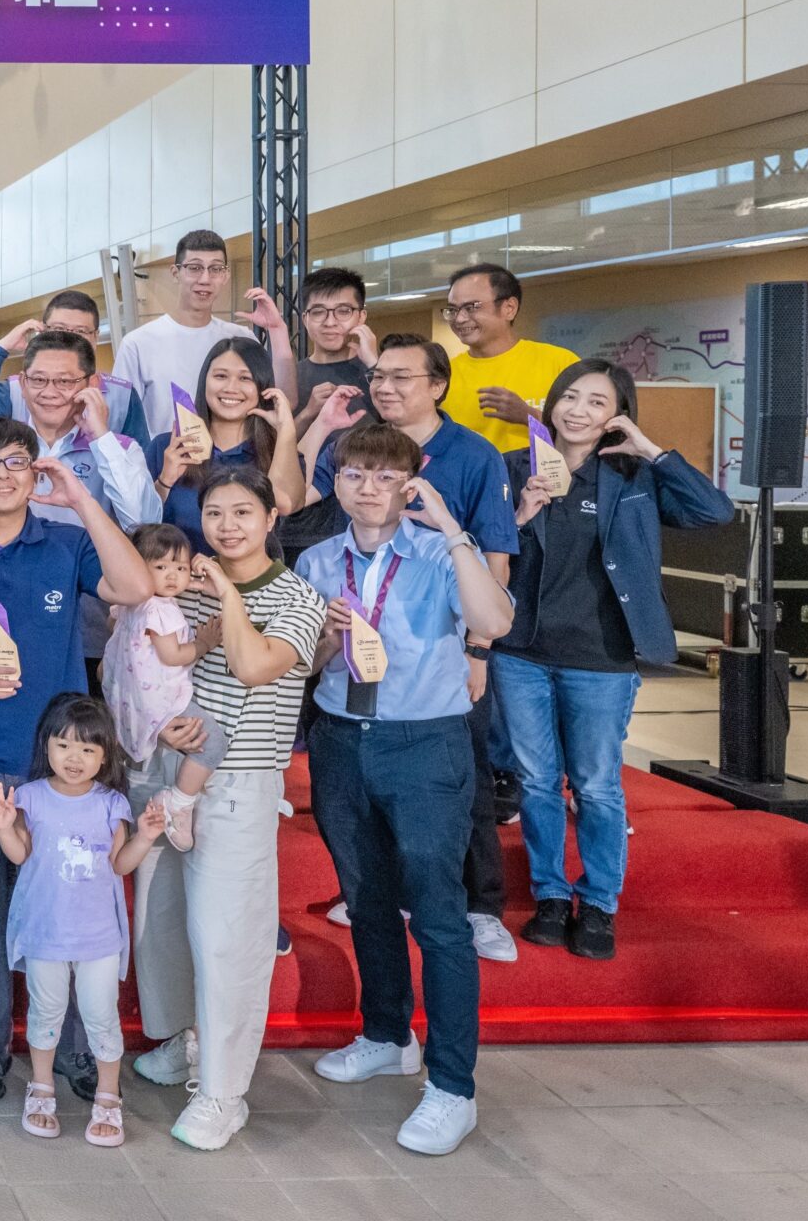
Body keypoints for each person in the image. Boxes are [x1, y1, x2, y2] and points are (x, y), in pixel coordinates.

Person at [0, 418, 150, 1104]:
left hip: (60, 764)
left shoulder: (66, 542)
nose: (3, 475)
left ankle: (76, 1047)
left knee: (70, 900)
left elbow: (134, 587)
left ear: (36, 472)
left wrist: (79, 497)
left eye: (18, 461)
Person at [296, 420, 517, 1156]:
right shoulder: (318, 559)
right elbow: (305, 665)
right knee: (366, 898)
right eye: (355, 473)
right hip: (340, 738)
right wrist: (324, 638)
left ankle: (453, 1087)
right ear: (336, 481)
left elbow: (494, 621)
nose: (369, 488)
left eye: (386, 476)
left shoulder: (438, 552)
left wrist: (451, 528)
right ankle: (388, 1034)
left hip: (425, 743)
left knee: (439, 914)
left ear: (411, 482)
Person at [497, 362, 731, 960]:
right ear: (551, 403)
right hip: (521, 651)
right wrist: (520, 515)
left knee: (597, 785)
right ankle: (551, 895)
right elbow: (485, 551)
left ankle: (599, 902)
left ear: (617, 416)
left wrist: (650, 449)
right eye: (570, 397)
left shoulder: (634, 476)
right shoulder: (514, 468)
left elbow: (715, 512)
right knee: (536, 782)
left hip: (602, 656)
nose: (578, 411)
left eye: (597, 403)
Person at [122, 467, 325, 1151]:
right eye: (214, 512)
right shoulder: (184, 588)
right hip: (167, 770)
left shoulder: (297, 596)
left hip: (238, 782)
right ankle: (185, 1042)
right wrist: (162, 731)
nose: (228, 525)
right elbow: (155, 671)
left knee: (225, 938)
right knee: (161, 925)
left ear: (271, 518)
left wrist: (230, 596)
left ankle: (223, 1092)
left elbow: (252, 666)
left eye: (243, 512)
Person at [303, 334, 523, 958]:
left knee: (464, 788)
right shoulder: (355, 452)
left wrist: (477, 652)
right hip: (354, 700)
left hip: (444, 664)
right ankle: (386, 900)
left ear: (438, 385)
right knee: (371, 821)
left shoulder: (472, 454)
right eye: (378, 375)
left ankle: (480, 906)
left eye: (402, 376)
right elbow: (293, 499)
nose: (385, 386)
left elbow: (495, 557)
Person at [0, 694, 161, 1148]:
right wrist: (5, 827)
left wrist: (145, 838)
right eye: (63, 745)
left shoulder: (111, 803)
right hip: (45, 931)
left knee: (100, 1014)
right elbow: (21, 855)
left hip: (98, 935)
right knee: (45, 1012)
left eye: (87, 748)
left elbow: (120, 864)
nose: (74, 757)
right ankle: (42, 1088)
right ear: (46, 745)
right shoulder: (31, 797)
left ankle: (108, 1096)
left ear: (105, 755)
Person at [12, 330, 162, 684]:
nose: (50, 392)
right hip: (18, 627)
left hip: (96, 632)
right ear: (22, 383)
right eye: (39, 380)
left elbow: (144, 524)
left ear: (91, 384)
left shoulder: (119, 448)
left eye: (65, 381)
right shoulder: (5, 448)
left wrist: (100, 437)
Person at [101, 524, 232, 851]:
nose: (173, 576)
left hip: (130, 698)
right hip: (161, 699)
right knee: (214, 744)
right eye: (160, 567)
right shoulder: (162, 610)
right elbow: (173, 655)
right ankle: (178, 801)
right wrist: (204, 643)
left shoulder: (129, 601)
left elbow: (113, 625)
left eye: (181, 568)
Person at [113, 230, 297, 437]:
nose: (205, 279)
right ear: (175, 273)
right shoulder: (138, 344)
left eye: (216, 269)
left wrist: (277, 330)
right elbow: (120, 422)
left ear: (225, 275)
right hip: (165, 455)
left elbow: (283, 402)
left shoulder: (239, 338)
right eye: (195, 268)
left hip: (235, 455)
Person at [145, 338, 305, 551]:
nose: (231, 388)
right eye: (220, 376)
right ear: (205, 381)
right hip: (180, 571)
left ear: (263, 386)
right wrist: (165, 481)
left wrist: (286, 429)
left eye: (245, 378)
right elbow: (138, 523)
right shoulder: (166, 447)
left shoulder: (278, 450)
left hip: (250, 572)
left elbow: (287, 504)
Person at [0, 292, 148, 443]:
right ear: (42, 331)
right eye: (58, 329)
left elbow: (140, 464)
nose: (68, 339)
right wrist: (2, 347)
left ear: (96, 337)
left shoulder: (122, 395)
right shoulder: (16, 390)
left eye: (80, 331)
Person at [444, 262, 578, 453]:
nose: (459, 319)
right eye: (452, 310)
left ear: (509, 308)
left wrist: (528, 416)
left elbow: (589, 433)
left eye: (471, 307)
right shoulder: (443, 376)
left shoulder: (560, 362)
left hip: (546, 472)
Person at [291, 267, 377, 430]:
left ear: (361, 317)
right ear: (305, 319)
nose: (330, 322)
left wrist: (374, 366)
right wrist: (307, 414)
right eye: (318, 312)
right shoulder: (290, 378)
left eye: (343, 311)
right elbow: (273, 443)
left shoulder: (379, 374)